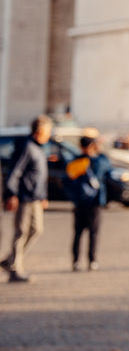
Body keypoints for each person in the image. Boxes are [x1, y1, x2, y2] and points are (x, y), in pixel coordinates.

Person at [1, 115, 53, 283]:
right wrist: (11, 194)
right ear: (40, 131)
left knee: (37, 230)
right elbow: (15, 172)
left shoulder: (38, 148)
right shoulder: (27, 147)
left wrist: (43, 196)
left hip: (36, 198)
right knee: (21, 232)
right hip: (24, 197)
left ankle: (10, 260)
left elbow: (39, 175)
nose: (49, 135)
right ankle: (15, 268)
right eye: (48, 132)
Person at [64, 133, 111, 271]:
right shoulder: (96, 162)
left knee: (78, 233)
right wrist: (99, 150)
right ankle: (92, 260)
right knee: (93, 233)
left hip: (79, 203)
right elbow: (106, 165)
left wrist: (74, 197)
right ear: (92, 146)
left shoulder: (75, 162)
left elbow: (67, 181)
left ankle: (76, 261)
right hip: (94, 203)